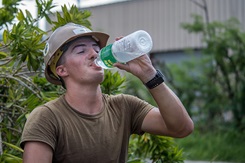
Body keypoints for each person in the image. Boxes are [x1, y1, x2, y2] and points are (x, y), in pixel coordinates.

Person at [20, 23, 194, 163]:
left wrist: (149, 75)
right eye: (81, 50)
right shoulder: (46, 117)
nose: (93, 53)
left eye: (96, 47)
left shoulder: (124, 106)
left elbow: (182, 128)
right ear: (62, 70)